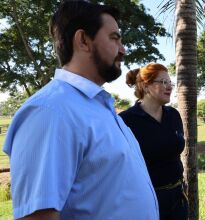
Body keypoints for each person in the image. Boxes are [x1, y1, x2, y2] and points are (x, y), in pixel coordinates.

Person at [3, 1, 158, 219]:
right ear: (83, 41)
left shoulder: (99, 107)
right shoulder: (50, 111)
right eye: (114, 38)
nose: (123, 50)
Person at [119, 63, 188, 220]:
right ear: (146, 85)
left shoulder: (173, 115)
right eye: (163, 82)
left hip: (178, 198)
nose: (169, 87)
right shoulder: (126, 120)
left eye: (170, 83)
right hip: (145, 201)